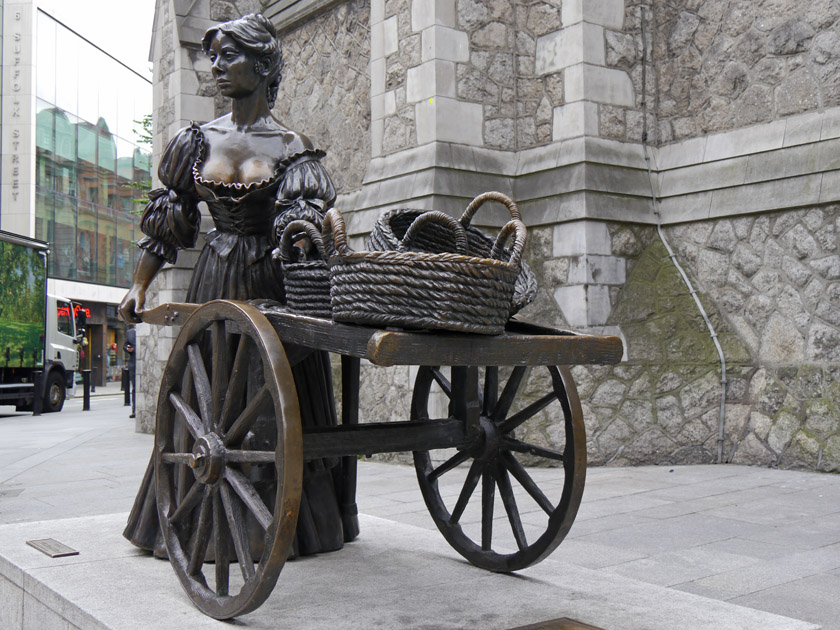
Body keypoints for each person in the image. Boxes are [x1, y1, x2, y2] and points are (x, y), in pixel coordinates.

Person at [119, 13, 353, 559]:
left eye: (231, 56)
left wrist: (305, 240)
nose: (217, 67)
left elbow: (304, 227)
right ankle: (196, 515)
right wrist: (139, 288)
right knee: (208, 396)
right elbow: (166, 226)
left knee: (274, 396)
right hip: (214, 281)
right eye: (214, 56)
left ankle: (282, 526)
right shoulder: (194, 143)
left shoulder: (294, 146)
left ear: (264, 64)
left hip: (275, 283)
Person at [123, 327, 136, 417]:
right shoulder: (130, 332)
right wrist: (128, 348)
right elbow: (125, 345)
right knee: (135, 388)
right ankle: (134, 410)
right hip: (133, 363)